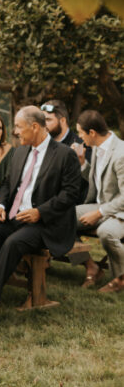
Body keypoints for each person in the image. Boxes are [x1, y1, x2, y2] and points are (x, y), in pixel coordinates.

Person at [0, 106, 82, 320]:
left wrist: (39, 212)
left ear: (35, 127)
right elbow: (6, 184)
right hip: (14, 217)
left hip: (46, 224)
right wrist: (0, 206)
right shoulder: (19, 152)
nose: (16, 132)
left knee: (13, 243)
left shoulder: (65, 155)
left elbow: (70, 194)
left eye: (19, 127)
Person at [73, 109, 124, 294]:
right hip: (103, 204)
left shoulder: (121, 154)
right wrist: (82, 164)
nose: (79, 137)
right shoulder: (97, 148)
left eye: (80, 133)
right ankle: (91, 266)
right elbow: (99, 180)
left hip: (120, 210)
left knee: (106, 232)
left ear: (92, 133)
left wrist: (99, 213)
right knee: (62, 217)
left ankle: (120, 278)